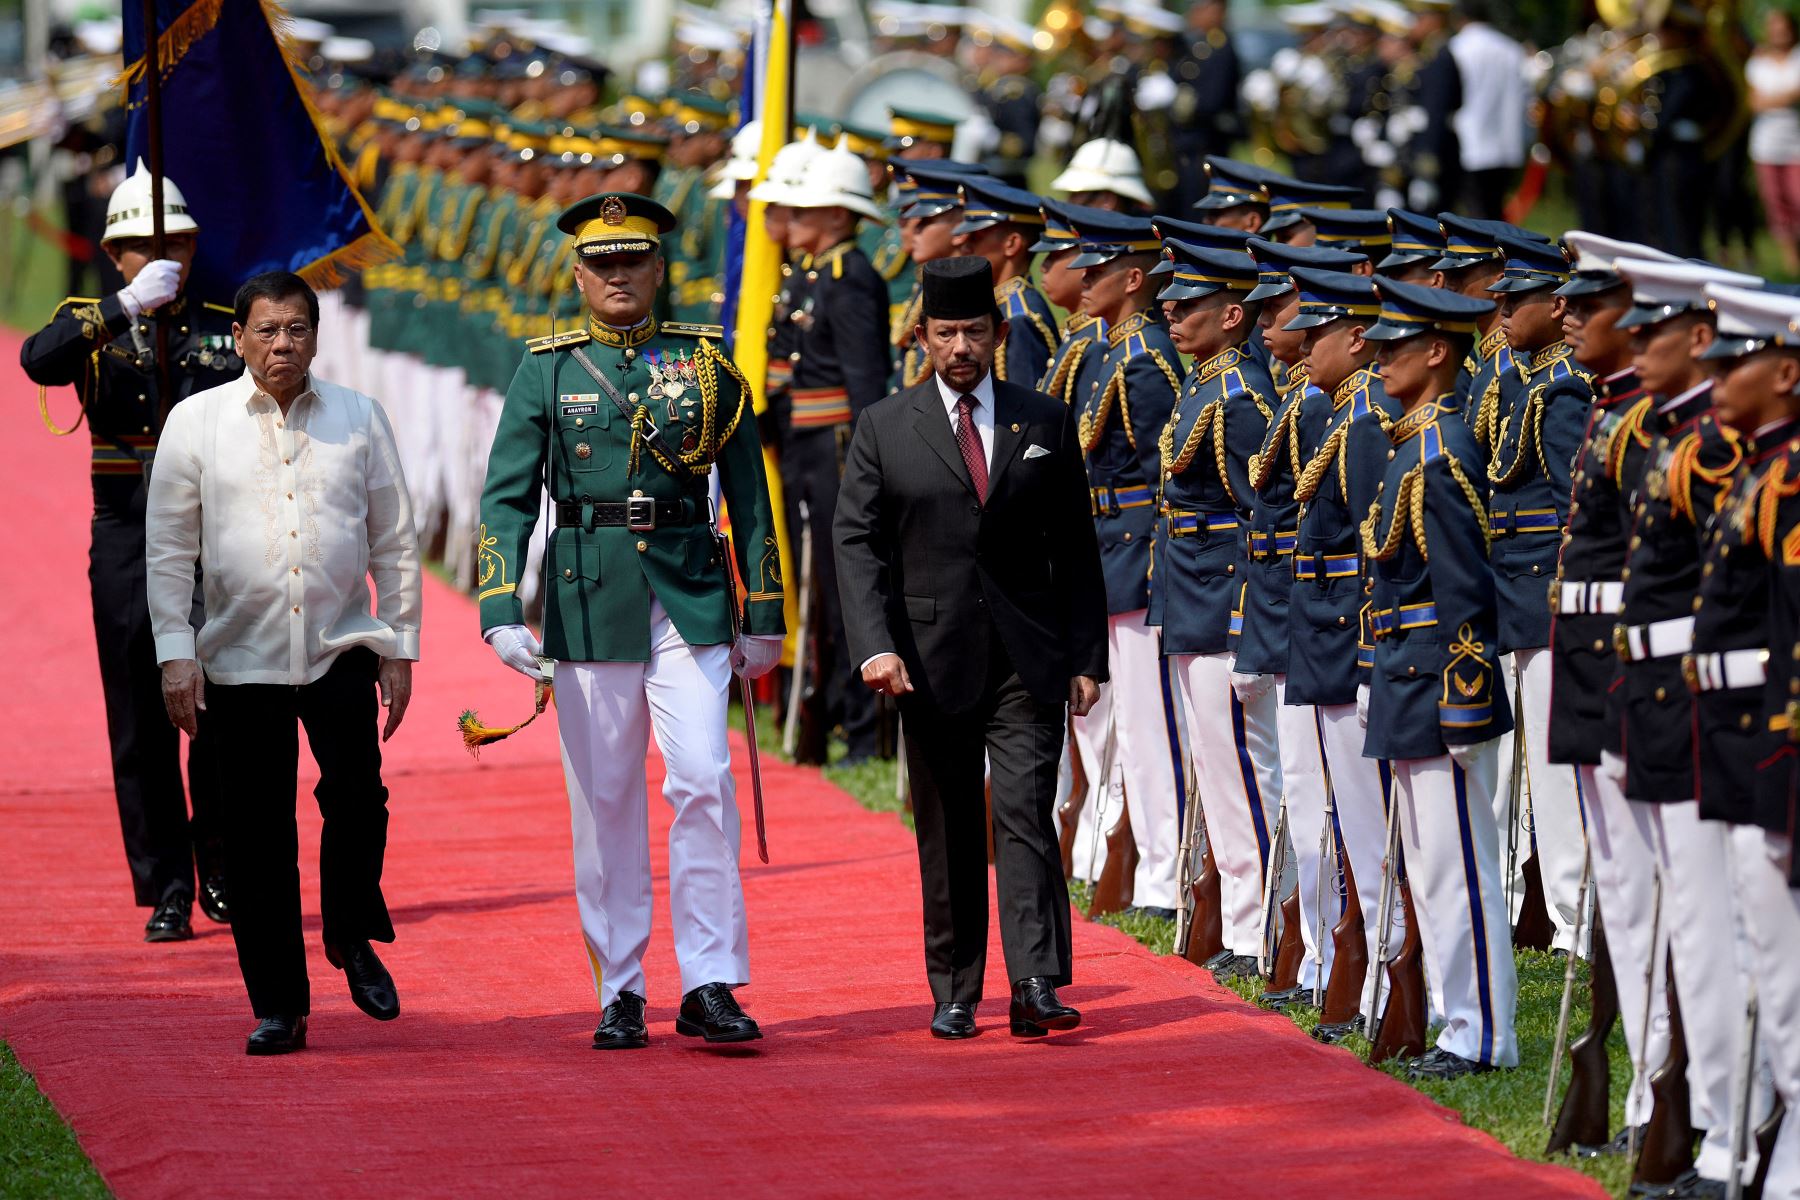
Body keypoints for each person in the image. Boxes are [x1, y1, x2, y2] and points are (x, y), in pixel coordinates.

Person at [476, 193, 784, 1050]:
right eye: (601, 263)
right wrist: (502, 609)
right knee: (606, 796)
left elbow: (752, 499)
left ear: (658, 270)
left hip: (688, 592)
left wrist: (765, 612)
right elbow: (505, 500)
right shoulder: (547, 369)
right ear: (578, 274)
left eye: (633, 261)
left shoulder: (707, 365)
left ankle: (711, 980)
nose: (618, 275)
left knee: (703, 776)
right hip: (587, 594)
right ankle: (620, 987)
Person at [146, 271, 421, 1056]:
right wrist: (175, 655)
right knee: (258, 837)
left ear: (316, 334)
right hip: (239, 659)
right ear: (238, 337)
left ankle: (349, 930)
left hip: (340, 647)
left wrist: (399, 647)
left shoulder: (359, 417)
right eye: (265, 331)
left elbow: (395, 540)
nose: (282, 345)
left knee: (360, 803)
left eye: (296, 329)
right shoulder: (196, 423)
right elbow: (169, 552)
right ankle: (279, 1003)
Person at [834, 256, 1107, 1039]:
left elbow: (1077, 549)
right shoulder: (885, 426)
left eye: (975, 331)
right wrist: (875, 647)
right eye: (946, 332)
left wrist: (1087, 657)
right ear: (921, 337)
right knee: (950, 825)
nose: (961, 346)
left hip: (1028, 655)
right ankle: (955, 988)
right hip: (925, 660)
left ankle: (1036, 983)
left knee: (1025, 811)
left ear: (1000, 334)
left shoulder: (1044, 420)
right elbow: (855, 544)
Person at [20, 161, 238, 943]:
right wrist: (119, 310)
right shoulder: (92, 315)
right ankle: (166, 885)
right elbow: (38, 360)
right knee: (140, 714)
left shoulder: (224, 318)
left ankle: (220, 870)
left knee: (219, 704)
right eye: (140, 245)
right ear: (113, 254)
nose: (159, 255)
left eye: (172, 241)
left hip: (214, 535)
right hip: (126, 532)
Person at [1609, 256, 1765, 1194]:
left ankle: (1739, 1137)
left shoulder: (1719, 457)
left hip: (1725, 712)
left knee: (1732, 938)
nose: (1631, 343)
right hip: (1672, 700)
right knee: (1694, 930)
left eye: (1649, 330)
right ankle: (1714, 1124)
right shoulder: (1678, 441)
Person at [1354, 274, 1517, 1079]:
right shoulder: (1410, 446)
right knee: (1431, 866)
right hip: (1403, 678)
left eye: (1394, 348)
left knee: (1459, 866)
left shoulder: (1440, 453)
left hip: (1436, 687)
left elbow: (1464, 592)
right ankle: (1459, 1023)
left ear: (1436, 353)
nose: (1379, 359)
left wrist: (1466, 703)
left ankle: (1481, 1033)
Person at [1544, 230, 1679, 1151]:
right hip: (1589, 652)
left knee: (1648, 893)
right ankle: (1641, 1091)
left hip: (1626, 658)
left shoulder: (1647, 427)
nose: (1568, 318)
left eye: (1588, 308)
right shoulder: (1610, 412)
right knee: (1621, 896)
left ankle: (1659, 1092)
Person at [1152, 239, 1274, 967]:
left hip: (1221, 601)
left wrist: (1243, 625)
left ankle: (1258, 928)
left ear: (1233, 316)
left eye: (1189, 304)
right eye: (1170, 302)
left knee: (1238, 774)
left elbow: (1259, 524)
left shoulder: (1239, 399)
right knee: (1216, 769)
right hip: (1190, 593)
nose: (1171, 311)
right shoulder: (1205, 384)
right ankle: (1238, 921)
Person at [1065, 207, 1186, 916]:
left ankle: (1166, 877)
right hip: (1108, 548)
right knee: (1120, 726)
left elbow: (1157, 473)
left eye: (1098, 271)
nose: (1082, 281)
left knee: (1150, 729)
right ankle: (1146, 865)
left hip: (1134, 552)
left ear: (1132, 279)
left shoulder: (1143, 359)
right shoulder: (1115, 350)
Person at [1481, 233, 1590, 950]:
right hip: (1504, 593)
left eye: (1515, 300)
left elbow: (1573, 506)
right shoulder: (1519, 380)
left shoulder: (1564, 387)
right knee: (1502, 775)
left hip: (1543, 597)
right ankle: (1509, 905)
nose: (1501, 311)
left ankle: (1577, 925)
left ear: (1556, 305)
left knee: (1553, 779)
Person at [952, 175, 1058, 389]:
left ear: (1011, 244)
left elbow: (1024, 413)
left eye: (976, 237)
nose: (964, 246)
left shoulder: (1020, 319)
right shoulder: (999, 304)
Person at [1447, 1, 1528, 219]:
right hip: (1506, 144)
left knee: (1475, 214)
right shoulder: (1511, 48)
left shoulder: (1457, 48)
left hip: (1469, 143)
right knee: (1494, 210)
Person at [1748, 8, 1800, 275]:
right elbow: (1754, 102)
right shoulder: (1757, 62)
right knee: (1777, 204)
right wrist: (1784, 97)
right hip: (1766, 145)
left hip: (1795, 144)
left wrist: (1773, 100)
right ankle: (1791, 264)